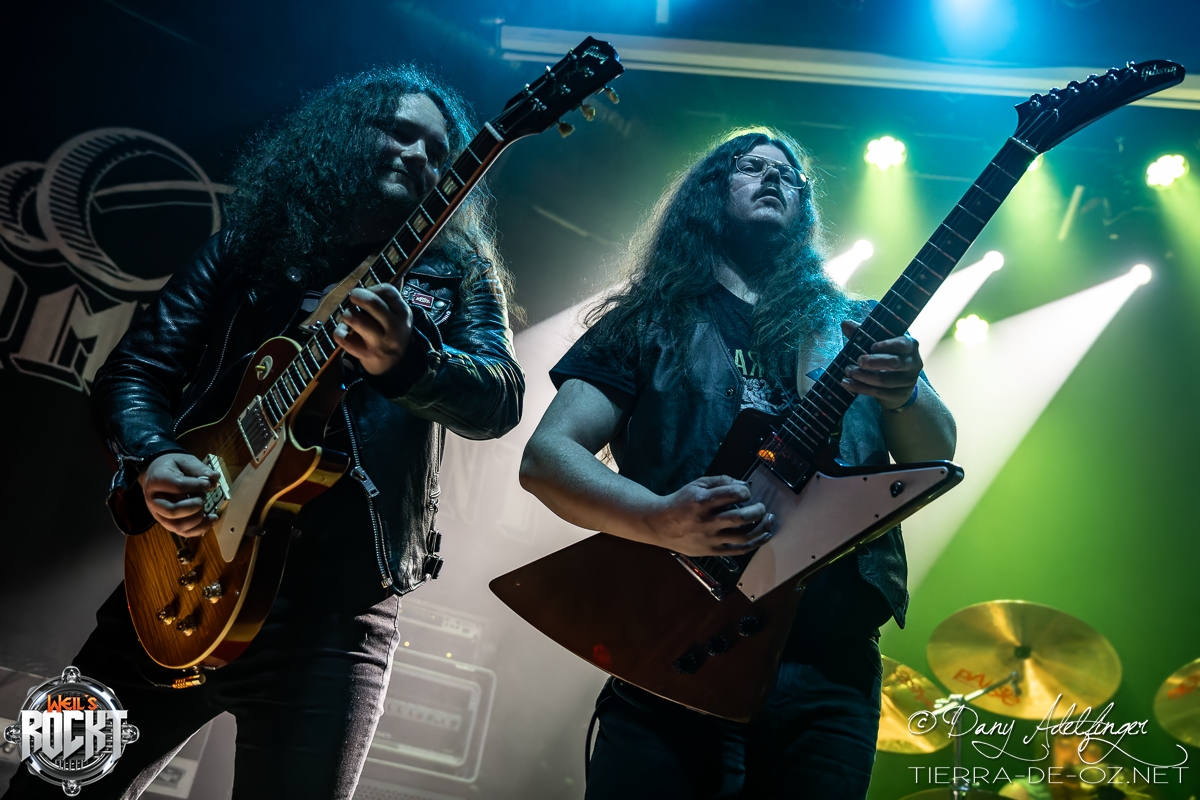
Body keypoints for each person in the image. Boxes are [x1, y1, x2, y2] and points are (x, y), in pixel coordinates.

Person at [3, 65, 523, 799]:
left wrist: (412, 362)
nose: (419, 156)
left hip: (331, 621)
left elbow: (499, 399)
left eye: (438, 152)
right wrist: (152, 457)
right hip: (166, 585)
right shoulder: (247, 248)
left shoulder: (460, 276)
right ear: (342, 136)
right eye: (400, 132)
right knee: (43, 788)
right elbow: (135, 372)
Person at [519, 127, 956, 799]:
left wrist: (903, 392)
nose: (774, 177)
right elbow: (548, 457)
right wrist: (659, 518)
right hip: (680, 642)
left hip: (828, 663)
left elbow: (936, 453)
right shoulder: (649, 320)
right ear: (709, 191)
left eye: (790, 175)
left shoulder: (854, 326)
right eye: (751, 166)